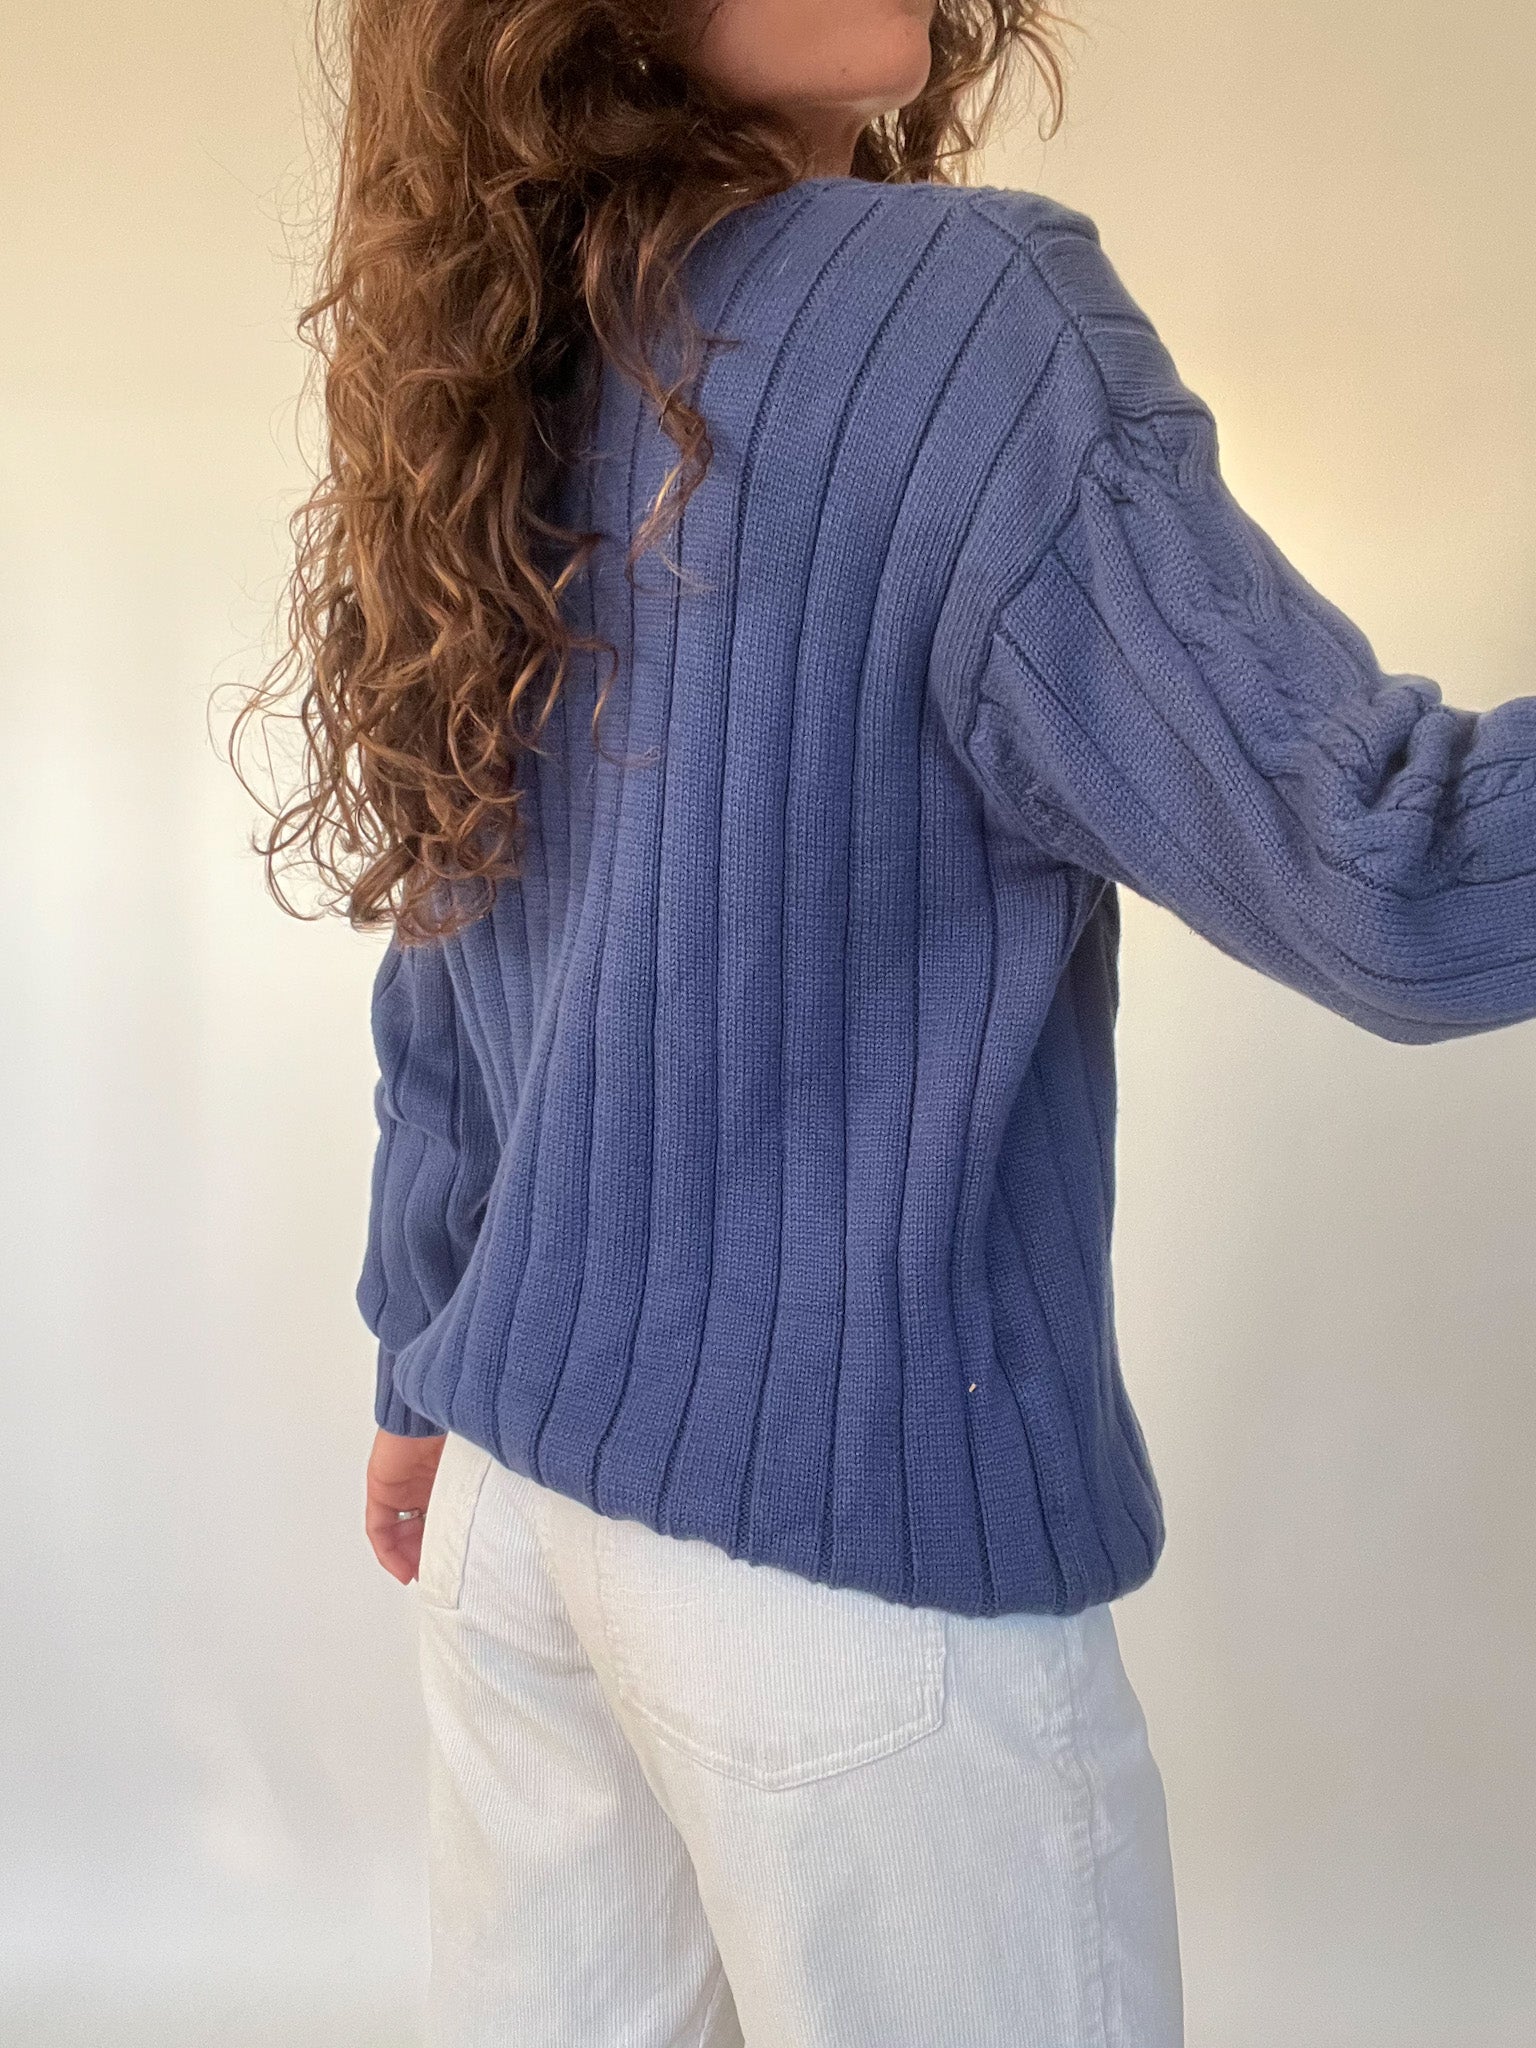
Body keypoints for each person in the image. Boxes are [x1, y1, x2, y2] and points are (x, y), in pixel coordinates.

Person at [234, 1, 1536, 2042]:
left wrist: (420, 1336)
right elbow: (1390, 875)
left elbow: (447, 891)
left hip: (517, 1524)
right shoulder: (959, 316)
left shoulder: (500, 351)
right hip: (853, 1570)